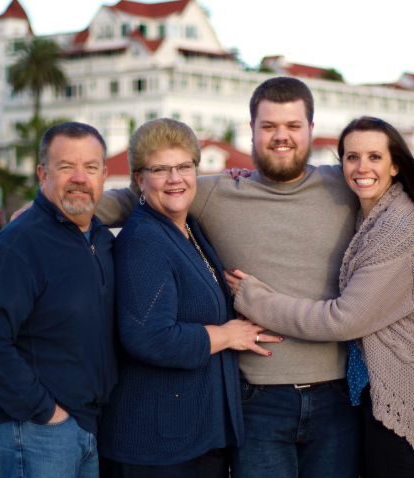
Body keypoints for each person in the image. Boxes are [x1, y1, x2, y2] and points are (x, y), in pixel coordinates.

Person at [95, 77, 414, 478]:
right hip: (255, 401)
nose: (281, 136)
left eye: (293, 125)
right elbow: (142, 195)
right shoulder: (215, 191)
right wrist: (70, 206)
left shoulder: (347, 180)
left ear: (311, 130)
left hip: (337, 401)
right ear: (251, 130)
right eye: (269, 126)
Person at [225, 117, 414, 477]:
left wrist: (254, 300)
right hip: (362, 395)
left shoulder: (400, 229)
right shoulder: (368, 216)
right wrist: (252, 178)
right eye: (352, 157)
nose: (362, 167)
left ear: (395, 165)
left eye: (375, 157)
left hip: (398, 398)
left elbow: (343, 320)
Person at [95, 118, 280, 478]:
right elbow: (149, 337)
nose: (175, 178)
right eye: (160, 169)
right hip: (156, 445)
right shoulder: (143, 241)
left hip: (192, 434)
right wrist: (227, 335)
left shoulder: (188, 228)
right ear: (139, 180)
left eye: (184, 166)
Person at [0, 122, 116, 478]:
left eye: (90, 167)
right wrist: (47, 413)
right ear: (43, 174)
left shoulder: (101, 239)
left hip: (85, 426)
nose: (80, 178)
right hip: (30, 429)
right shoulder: (19, 243)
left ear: (104, 175)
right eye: (66, 167)